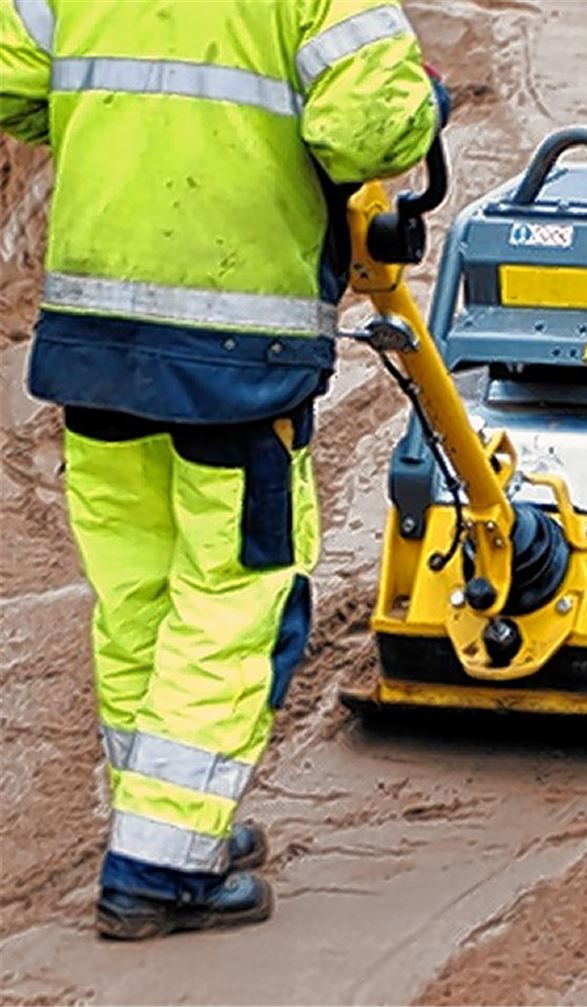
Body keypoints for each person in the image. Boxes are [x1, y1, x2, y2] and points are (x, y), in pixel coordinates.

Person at [0, 0, 447, 939]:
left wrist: (117, 127)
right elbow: (363, 126)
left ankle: (168, 823)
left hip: (95, 336)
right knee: (233, 598)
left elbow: (11, 78)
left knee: (137, 594)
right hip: (234, 348)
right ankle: (161, 868)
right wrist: (424, 110)